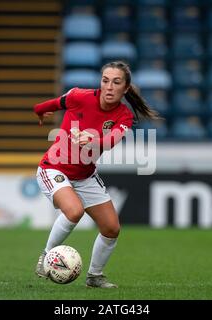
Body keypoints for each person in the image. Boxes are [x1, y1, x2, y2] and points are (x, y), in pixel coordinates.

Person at [33, 61, 161, 288]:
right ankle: (45, 256)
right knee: (74, 211)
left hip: (85, 176)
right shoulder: (80, 96)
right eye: (105, 81)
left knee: (112, 228)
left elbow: (110, 141)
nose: (109, 87)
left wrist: (92, 140)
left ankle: (94, 276)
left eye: (116, 82)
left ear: (126, 88)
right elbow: (56, 103)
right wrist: (40, 110)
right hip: (53, 168)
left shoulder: (124, 116)